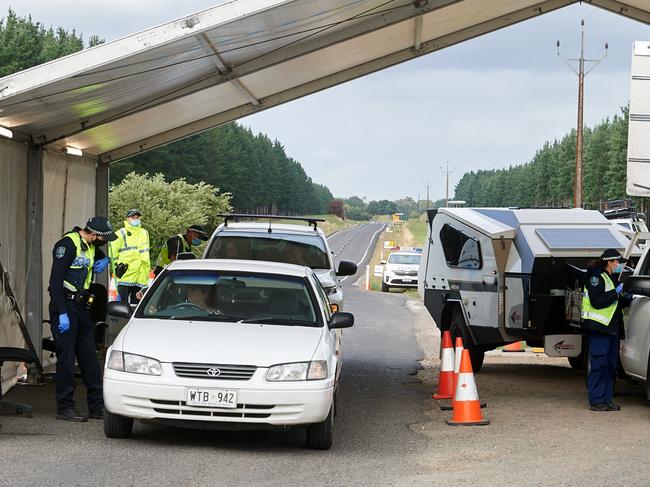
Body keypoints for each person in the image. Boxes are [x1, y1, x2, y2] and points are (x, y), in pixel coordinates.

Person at [48, 216, 118, 421]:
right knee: (67, 359)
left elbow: (98, 254)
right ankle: (65, 407)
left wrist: (105, 259)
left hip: (81, 307)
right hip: (65, 306)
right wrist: (61, 312)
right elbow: (55, 282)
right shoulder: (67, 245)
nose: (103, 242)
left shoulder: (89, 245)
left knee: (89, 358)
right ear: (94, 234)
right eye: (103, 238)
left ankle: (96, 407)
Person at [582, 248, 632, 412]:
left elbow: (616, 302)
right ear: (610, 262)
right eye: (617, 262)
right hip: (599, 329)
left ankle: (607, 399)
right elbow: (597, 302)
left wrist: (625, 297)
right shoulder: (596, 278)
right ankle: (596, 401)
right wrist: (615, 293)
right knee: (599, 364)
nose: (619, 265)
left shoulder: (612, 279)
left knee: (610, 365)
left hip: (612, 329)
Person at [109, 209, 151, 304]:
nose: (135, 219)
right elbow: (112, 252)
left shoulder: (144, 233)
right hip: (126, 275)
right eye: (133, 217)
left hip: (141, 276)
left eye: (137, 217)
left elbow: (145, 253)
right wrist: (117, 265)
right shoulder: (121, 233)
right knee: (122, 305)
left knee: (137, 305)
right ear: (127, 219)